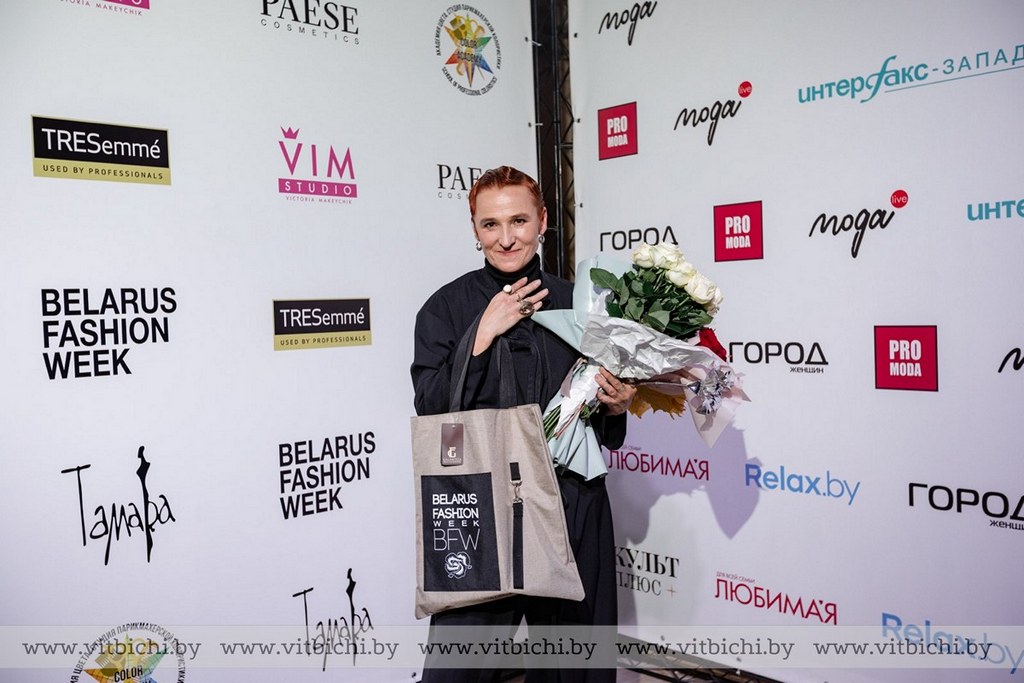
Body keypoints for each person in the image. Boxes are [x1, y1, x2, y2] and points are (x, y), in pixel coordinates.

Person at [411, 166, 636, 682]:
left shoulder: (581, 304)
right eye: (490, 224)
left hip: (570, 501)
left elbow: (598, 423)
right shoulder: (446, 308)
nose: (506, 238)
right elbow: (431, 407)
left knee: (575, 666)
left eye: (519, 221)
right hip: (479, 504)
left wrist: (617, 405)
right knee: (458, 669)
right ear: (474, 228)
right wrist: (482, 333)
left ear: (543, 221)